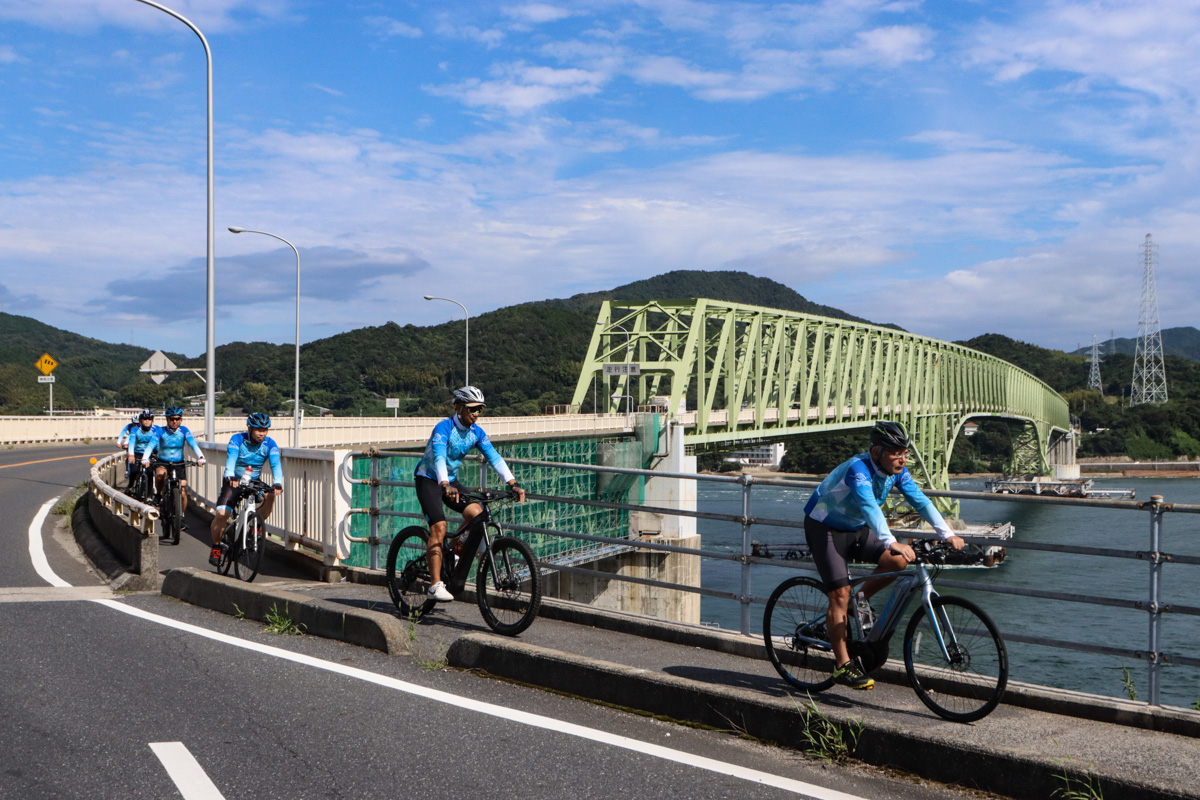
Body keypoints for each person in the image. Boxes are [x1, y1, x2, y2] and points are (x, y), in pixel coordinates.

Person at [802, 420, 964, 690]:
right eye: (895, 452)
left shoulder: (896, 472)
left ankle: (860, 599)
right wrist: (891, 541)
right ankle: (842, 666)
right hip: (825, 526)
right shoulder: (858, 469)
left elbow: (920, 500)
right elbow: (869, 507)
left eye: (905, 452)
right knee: (839, 594)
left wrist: (947, 533)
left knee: (898, 561)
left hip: (855, 528)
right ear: (876, 452)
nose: (902, 459)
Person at [413, 386, 525, 602]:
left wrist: (513, 483)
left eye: (479, 410)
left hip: (450, 481)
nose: (476, 414)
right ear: (459, 407)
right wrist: (444, 483)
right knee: (439, 526)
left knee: (477, 514)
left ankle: (454, 552)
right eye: (472, 409)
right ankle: (435, 585)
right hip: (429, 479)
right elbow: (438, 457)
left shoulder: (476, 433)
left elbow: (494, 457)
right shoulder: (443, 428)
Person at [208, 412, 283, 567]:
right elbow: (231, 458)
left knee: (269, 495)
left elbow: (276, 464)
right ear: (249, 428)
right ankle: (216, 547)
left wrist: (278, 482)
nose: (262, 433)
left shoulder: (270, 444)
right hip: (234, 479)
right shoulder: (238, 439)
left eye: (265, 429)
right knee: (222, 514)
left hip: (253, 480)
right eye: (258, 429)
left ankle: (256, 526)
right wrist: (230, 475)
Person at [141, 406, 206, 535]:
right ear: (167, 419)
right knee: (160, 474)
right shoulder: (160, 431)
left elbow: (193, 444)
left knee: (182, 490)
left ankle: (181, 515)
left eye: (177, 419)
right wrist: (145, 458)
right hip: (163, 462)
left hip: (179, 463)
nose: (175, 421)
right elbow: (151, 445)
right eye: (172, 419)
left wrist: (201, 457)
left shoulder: (184, 431)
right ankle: (159, 495)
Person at [125, 410, 160, 497]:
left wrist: (158, 455)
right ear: (141, 420)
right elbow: (132, 442)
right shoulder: (135, 429)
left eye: (149, 418)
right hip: (137, 453)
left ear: (152, 420)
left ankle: (149, 495)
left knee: (150, 472)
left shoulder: (156, 430)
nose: (147, 420)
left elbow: (159, 443)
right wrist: (131, 454)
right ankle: (130, 485)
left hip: (151, 454)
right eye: (145, 418)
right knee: (134, 470)